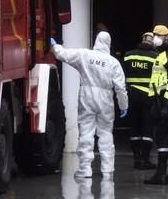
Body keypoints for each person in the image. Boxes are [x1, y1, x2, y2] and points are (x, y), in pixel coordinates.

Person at [51, 32, 128, 178]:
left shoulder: (85, 55)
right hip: (106, 99)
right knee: (106, 133)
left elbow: (63, 54)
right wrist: (123, 105)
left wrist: (55, 46)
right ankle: (107, 169)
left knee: (86, 133)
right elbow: (120, 87)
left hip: (87, 96)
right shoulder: (113, 62)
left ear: (96, 41)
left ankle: (85, 169)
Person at [145, 24, 168, 185]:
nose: (154, 39)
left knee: (163, 137)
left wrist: (166, 105)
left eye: (157, 36)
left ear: (165, 37)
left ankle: (161, 174)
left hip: (166, 101)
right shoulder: (162, 55)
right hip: (164, 100)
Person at [123, 31, 158, 170]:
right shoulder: (156, 57)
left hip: (132, 96)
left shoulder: (128, 55)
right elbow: (159, 78)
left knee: (135, 127)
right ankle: (145, 159)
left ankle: (136, 159)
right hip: (148, 98)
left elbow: (122, 75)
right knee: (147, 128)